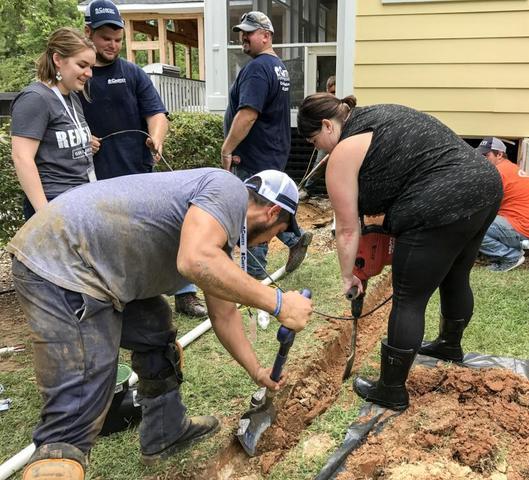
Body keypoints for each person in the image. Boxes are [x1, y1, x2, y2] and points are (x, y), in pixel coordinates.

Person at [8, 167, 313, 479]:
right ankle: (57, 463)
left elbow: (224, 314)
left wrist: (257, 371)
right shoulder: (228, 189)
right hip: (63, 263)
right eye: (278, 231)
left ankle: (165, 432)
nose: (272, 239)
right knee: (79, 400)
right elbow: (194, 260)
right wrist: (278, 303)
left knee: (154, 328)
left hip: (95, 266)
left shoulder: (215, 229)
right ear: (272, 211)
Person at [297, 94, 503, 411]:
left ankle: (391, 389)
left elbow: (348, 229)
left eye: (315, 140)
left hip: (441, 197)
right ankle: (449, 345)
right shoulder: (378, 114)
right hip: (485, 183)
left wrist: (347, 274)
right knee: (456, 275)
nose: (318, 149)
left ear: (327, 124)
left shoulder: (344, 151)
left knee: (408, 297)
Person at [79, 1, 205, 318]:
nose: (113, 45)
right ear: (88, 33)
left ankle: (185, 293)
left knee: (166, 229)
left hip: (139, 171)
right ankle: (119, 298)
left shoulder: (132, 73)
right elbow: (62, 120)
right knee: (111, 241)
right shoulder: (77, 74)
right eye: (106, 38)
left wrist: (157, 136)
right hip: (97, 179)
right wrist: (83, 139)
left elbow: (157, 114)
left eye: (118, 39)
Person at [222, 10, 312, 280]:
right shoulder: (278, 67)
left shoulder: (258, 69)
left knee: (254, 211)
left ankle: (253, 276)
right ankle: (294, 238)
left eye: (249, 32)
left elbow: (248, 114)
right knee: (268, 204)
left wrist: (227, 149)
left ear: (266, 35)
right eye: (242, 32)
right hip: (272, 151)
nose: (243, 38)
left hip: (253, 155)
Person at [10, 28, 96, 220]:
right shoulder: (35, 98)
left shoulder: (73, 96)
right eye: (82, 65)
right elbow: (21, 158)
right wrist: (46, 215)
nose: (89, 73)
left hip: (82, 199)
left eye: (91, 66)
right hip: (54, 205)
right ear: (58, 60)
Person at [476, 137, 529, 272]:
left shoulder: (498, 172)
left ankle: (511, 257)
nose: (482, 159)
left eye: (486, 155)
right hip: (525, 226)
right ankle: (503, 253)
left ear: (499, 154)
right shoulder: (509, 168)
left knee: (474, 226)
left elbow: (482, 204)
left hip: (521, 228)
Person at [299, 74, 336, 201]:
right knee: (319, 164)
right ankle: (307, 188)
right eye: (331, 92)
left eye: (336, 92)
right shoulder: (324, 104)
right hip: (325, 139)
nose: (333, 94)